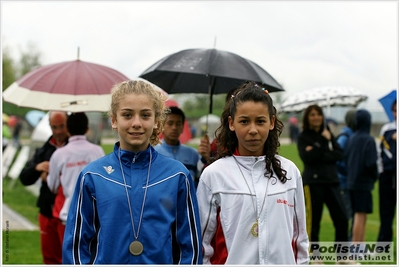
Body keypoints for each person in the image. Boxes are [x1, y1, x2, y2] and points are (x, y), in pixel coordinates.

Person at [62, 80, 202, 264]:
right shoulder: (93, 176)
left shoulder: (177, 176)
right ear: (114, 120)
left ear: (156, 121)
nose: (136, 123)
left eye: (145, 115)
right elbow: (76, 247)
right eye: (127, 115)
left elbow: (190, 247)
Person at [196, 81, 309, 264]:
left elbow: (300, 239)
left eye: (260, 121)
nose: (253, 130)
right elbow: (202, 243)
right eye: (244, 121)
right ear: (232, 123)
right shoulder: (214, 175)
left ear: (271, 122)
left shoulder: (289, 172)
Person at [46, 112, 105, 252]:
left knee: (69, 258)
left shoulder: (59, 154)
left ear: (67, 128)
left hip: (68, 215)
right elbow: (104, 183)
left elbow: (52, 186)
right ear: (87, 129)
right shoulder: (97, 151)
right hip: (93, 215)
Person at [19, 111, 69, 264]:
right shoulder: (44, 150)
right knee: (49, 258)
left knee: (69, 258)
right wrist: (37, 168)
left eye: (62, 126)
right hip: (47, 211)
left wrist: (54, 177)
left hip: (67, 214)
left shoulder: (76, 148)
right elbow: (25, 178)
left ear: (68, 125)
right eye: (54, 127)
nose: (58, 131)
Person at [297, 105, 348, 249]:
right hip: (313, 183)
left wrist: (319, 149)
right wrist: (322, 143)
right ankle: (315, 255)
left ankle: (342, 256)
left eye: (318, 114)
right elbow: (308, 158)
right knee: (314, 221)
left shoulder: (328, 133)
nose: (316, 117)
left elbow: (339, 154)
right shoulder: (303, 137)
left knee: (342, 219)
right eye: (312, 115)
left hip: (332, 181)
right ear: (307, 118)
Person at [345, 109, 378, 246]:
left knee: (359, 214)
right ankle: (356, 246)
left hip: (351, 181)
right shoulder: (369, 140)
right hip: (363, 182)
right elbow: (371, 162)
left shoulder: (352, 138)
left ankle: (360, 245)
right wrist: (375, 175)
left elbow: (346, 158)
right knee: (360, 215)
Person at [154, 106, 202, 187]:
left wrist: (206, 159)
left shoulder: (193, 154)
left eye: (178, 124)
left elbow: (199, 181)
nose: (174, 128)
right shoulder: (153, 152)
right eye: (170, 123)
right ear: (162, 126)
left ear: (182, 127)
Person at [376, 100, 396, 243]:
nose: (396, 113)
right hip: (388, 176)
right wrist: (381, 172)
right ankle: (383, 244)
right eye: (394, 110)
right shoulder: (386, 129)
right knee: (386, 212)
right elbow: (379, 152)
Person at [336, 109, 357, 239]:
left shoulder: (352, 136)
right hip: (344, 182)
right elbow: (338, 160)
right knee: (347, 215)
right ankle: (347, 246)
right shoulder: (344, 137)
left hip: (351, 181)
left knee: (354, 214)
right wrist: (349, 171)